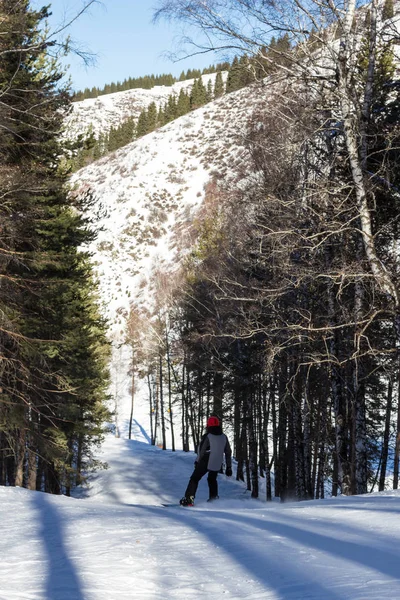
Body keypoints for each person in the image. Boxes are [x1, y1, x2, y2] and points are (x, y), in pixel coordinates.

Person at [180, 415, 232, 506]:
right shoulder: (224, 437)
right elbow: (228, 452)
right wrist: (229, 467)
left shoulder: (208, 436)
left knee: (194, 478)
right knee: (212, 479)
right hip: (217, 462)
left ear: (208, 425)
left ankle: (189, 499)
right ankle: (214, 499)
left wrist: (197, 461)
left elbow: (202, 450)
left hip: (206, 460)